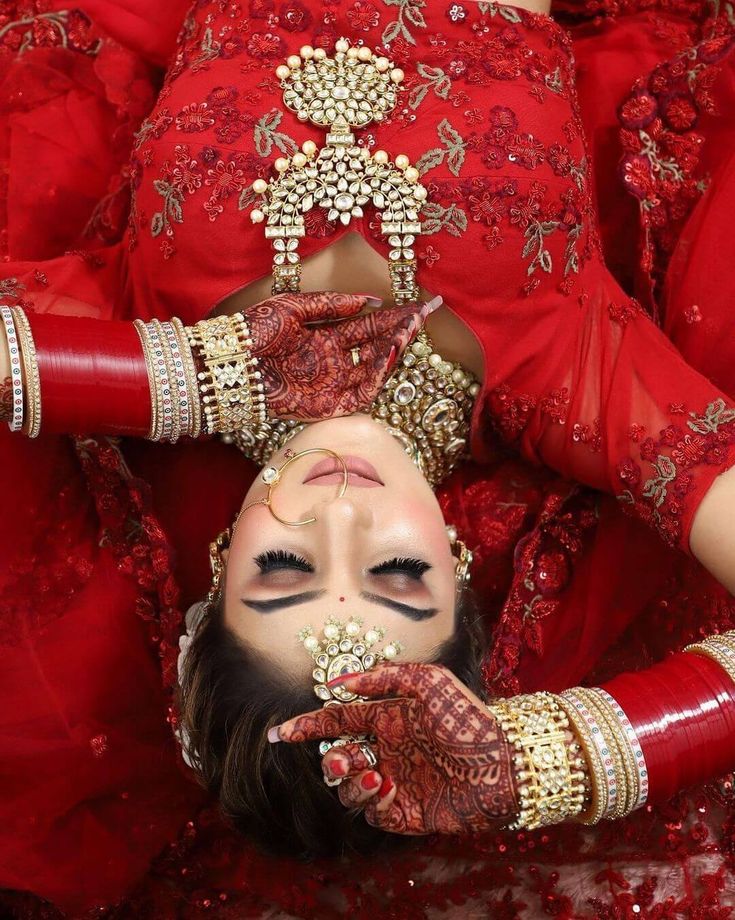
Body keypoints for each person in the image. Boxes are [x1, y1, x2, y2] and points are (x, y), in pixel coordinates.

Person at [2, 0, 735, 917]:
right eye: (396, 572)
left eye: (282, 567)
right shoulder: (576, 384)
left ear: (219, 564)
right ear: (460, 566)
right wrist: (554, 758)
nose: (342, 515)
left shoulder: (150, 330)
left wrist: (187, 375)